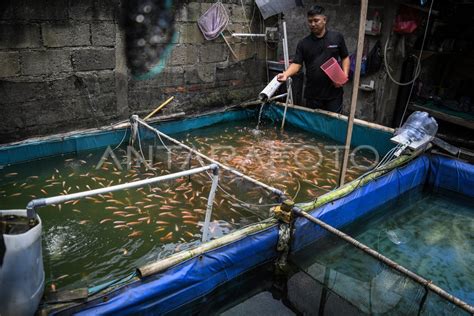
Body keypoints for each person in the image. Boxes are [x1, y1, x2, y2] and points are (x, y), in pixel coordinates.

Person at [277, 5, 350, 113]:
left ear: (324, 20)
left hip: (334, 93)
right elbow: (297, 64)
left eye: (316, 20)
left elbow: (345, 57)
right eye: (310, 21)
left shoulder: (336, 37)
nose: (312, 24)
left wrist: (344, 75)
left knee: (333, 124)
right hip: (313, 94)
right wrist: (286, 74)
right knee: (313, 125)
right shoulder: (303, 43)